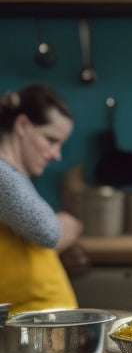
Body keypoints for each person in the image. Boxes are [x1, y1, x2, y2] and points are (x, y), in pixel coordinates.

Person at [0, 84, 82, 314]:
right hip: (21, 339)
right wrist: (70, 223)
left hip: (35, 334)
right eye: (50, 139)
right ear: (23, 125)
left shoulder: (15, 176)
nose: (57, 154)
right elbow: (48, 232)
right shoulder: (2, 175)